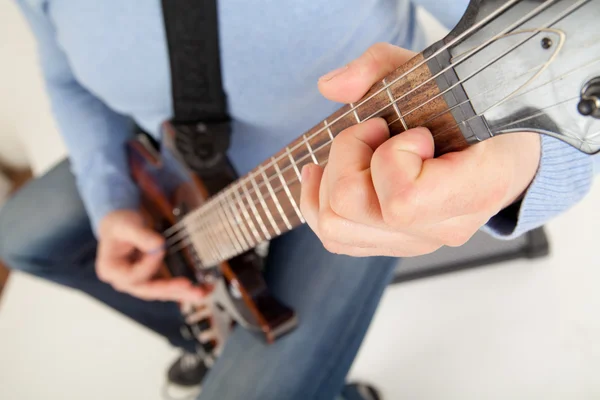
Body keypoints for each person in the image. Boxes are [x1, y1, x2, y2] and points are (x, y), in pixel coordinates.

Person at [1, 1, 598, 399]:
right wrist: (109, 204)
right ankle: (206, 325)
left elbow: (554, 45)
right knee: (20, 235)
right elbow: (65, 78)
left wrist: (519, 167)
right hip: (178, 174)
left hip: (335, 184)